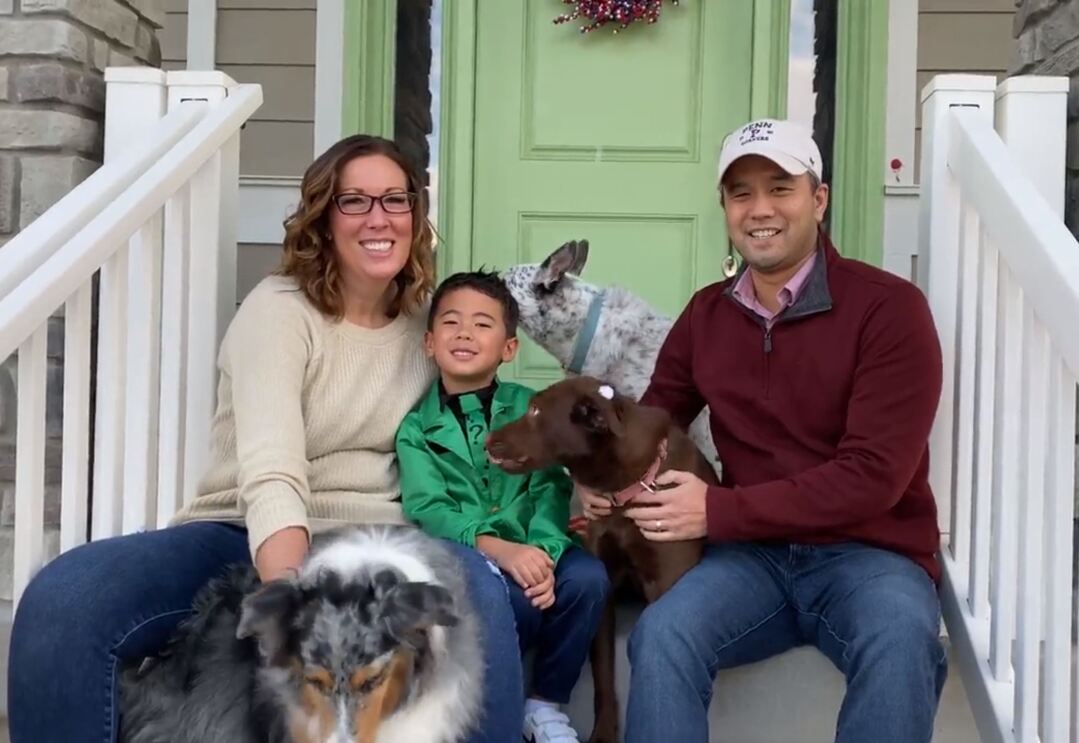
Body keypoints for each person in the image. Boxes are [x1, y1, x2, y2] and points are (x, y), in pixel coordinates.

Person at [8, 135, 524, 743]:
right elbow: (272, 470)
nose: (379, 218)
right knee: (66, 599)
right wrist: (290, 596)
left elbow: (479, 428)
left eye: (395, 200)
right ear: (323, 218)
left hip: (384, 540)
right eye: (354, 201)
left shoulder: (429, 327)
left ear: (415, 215)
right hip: (240, 528)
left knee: (479, 602)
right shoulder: (279, 311)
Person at [578, 119, 947, 743]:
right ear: (724, 208)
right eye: (741, 193)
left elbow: (873, 478)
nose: (760, 209)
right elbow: (655, 422)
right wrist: (603, 482)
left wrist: (718, 511)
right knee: (664, 634)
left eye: (781, 188)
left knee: (900, 637)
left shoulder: (888, 309)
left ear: (818, 199)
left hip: (869, 556)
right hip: (751, 563)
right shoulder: (707, 314)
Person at [396, 270, 610, 743]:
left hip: (537, 547)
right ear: (429, 343)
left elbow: (550, 485)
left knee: (589, 580)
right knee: (500, 602)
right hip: (473, 558)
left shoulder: (531, 408)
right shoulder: (416, 429)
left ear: (509, 349)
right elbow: (430, 507)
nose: (465, 334)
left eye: (482, 324)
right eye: (451, 323)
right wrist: (497, 549)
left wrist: (546, 552)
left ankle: (545, 703)